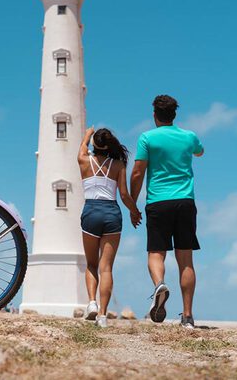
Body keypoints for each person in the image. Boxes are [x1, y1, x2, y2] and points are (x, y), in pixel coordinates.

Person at [130, 95, 204, 329]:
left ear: (155, 115)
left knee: (156, 253)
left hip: (158, 202)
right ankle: (188, 317)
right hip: (185, 201)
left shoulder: (147, 138)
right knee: (186, 260)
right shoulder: (189, 136)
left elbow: (138, 173)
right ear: (174, 114)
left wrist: (132, 203)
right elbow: (200, 152)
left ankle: (160, 284)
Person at [78, 127, 141, 328]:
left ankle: (92, 303)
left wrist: (88, 134)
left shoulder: (84, 160)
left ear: (94, 145)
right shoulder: (118, 164)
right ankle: (103, 316)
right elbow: (124, 195)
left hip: (91, 212)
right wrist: (135, 211)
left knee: (91, 264)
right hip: (112, 213)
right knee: (106, 268)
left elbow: (82, 147)